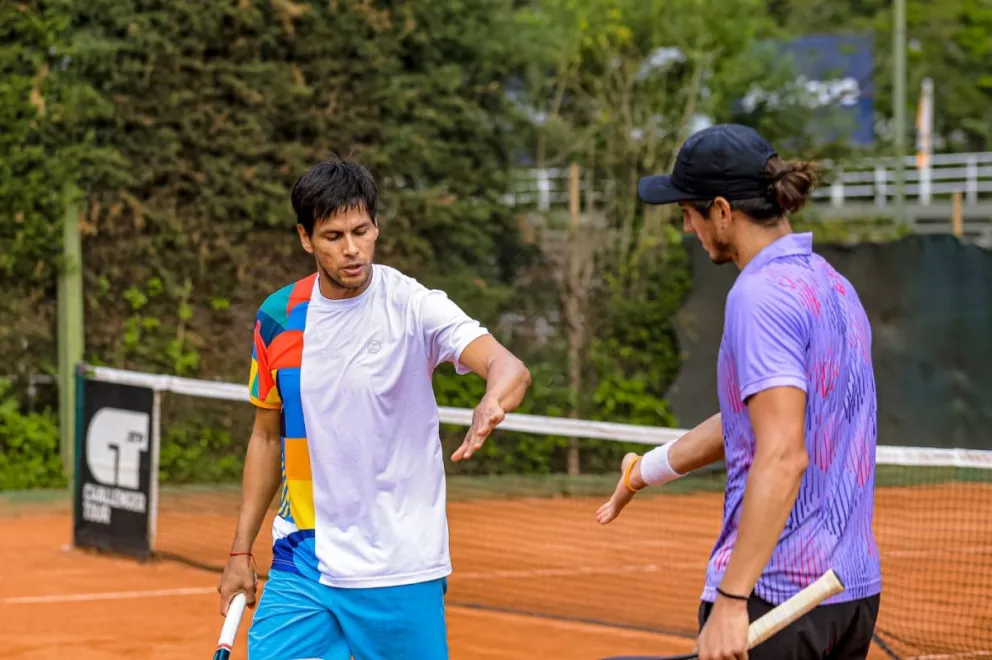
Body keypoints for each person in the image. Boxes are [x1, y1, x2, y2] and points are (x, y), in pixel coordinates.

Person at [217, 158, 532, 660]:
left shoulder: (414, 306)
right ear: (305, 238)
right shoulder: (277, 318)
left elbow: (507, 365)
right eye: (333, 236)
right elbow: (265, 435)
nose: (351, 249)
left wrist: (493, 397)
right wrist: (240, 550)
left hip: (399, 565)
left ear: (376, 227)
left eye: (361, 231)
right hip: (303, 556)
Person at [596, 124, 881, 660]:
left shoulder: (759, 296)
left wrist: (732, 596)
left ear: (723, 210)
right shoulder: (832, 285)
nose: (687, 227)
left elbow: (781, 454)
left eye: (689, 212)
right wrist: (644, 472)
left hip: (773, 597)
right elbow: (749, 423)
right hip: (849, 597)